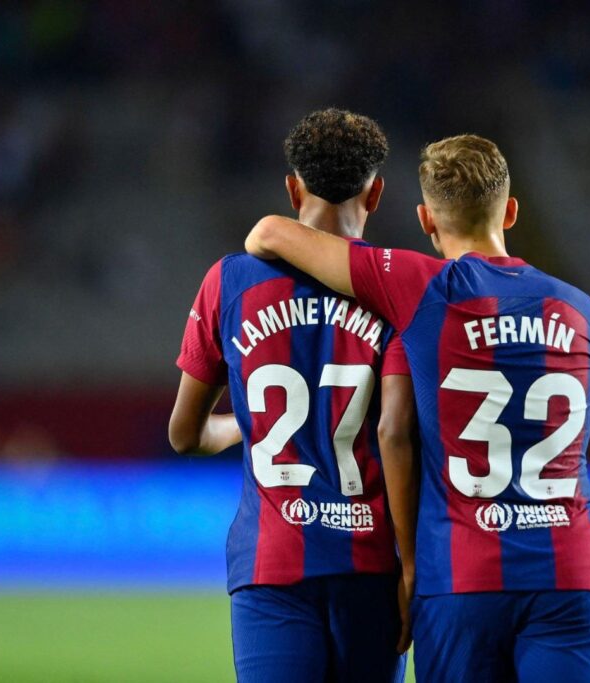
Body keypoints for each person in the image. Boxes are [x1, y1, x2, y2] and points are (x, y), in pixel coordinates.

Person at [245, 134, 590, 683]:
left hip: (460, 577)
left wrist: (409, 564)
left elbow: (270, 233)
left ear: (424, 219)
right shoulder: (580, 308)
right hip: (572, 572)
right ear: (511, 211)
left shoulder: (422, 286)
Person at [169, 108, 410, 683]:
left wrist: (239, 425)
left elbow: (184, 435)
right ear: (375, 194)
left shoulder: (228, 282)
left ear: (292, 187)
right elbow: (402, 432)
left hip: (271, 565)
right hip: (370, 566)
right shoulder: (401, 290)